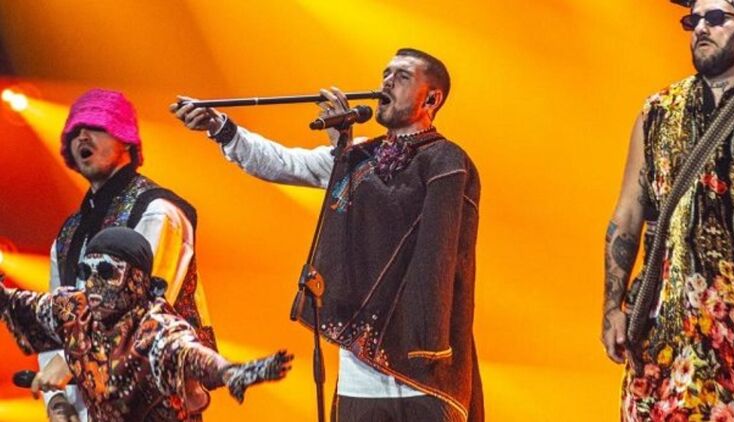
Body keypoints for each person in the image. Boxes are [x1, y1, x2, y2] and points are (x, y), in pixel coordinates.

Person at [171, 48, 484, 422]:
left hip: (423, 375)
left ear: (431, 99)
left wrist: (343, 150)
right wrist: (222, 128)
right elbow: (283, 163)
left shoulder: (446, 160)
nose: (386, 82)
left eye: (402, 77)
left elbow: (425, 242)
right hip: (359, 379)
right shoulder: (359, 156)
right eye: (385, 73)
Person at [601, 0, 734, 419]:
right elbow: (627, 214)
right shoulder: (658, 111)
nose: (701, 27)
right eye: (693, 19)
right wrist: (611, 308)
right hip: (663, 334)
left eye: (716, 18)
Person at [38, 88, 216, 422]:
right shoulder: (69, 233)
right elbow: (54, 320)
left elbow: (143, 311)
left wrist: (69, 360)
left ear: (126, 140)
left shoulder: (157, 211)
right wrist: (56, 399)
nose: (82, 136)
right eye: (74, 131)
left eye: (95, 125)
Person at [0, 227, 293, 421]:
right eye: (86, 272)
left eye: (106, 272)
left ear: (137, 280)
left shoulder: (155, 327)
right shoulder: (75, 309)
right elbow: (16, 304)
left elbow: (187, 352)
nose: (93, 283)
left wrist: (231, 373)